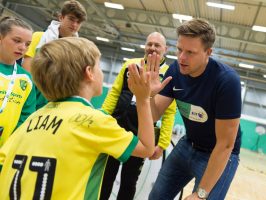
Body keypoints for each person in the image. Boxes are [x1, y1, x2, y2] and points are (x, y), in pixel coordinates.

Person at [0, 37, 156, 199]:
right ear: (89, 73)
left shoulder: (31, 120)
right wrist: (143, 99)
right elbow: (146, 147)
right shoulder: (94, 121)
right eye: (99, 66)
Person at [130, 18, 242, 200]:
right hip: (187, 145)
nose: (181, 57)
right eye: (180, 49)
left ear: (208, 52)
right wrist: (147, 95)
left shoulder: (227, 81)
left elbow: (226, 144)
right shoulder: (175, 71)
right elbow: (154, 114)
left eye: (190, 52)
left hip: (219, 153)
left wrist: (201, 193)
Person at [100, 32, 176, 200]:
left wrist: (162, 144)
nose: (152, 48)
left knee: (129, 181)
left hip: (141, 136)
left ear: (166, 49)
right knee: (106, 177)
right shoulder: (130, 65)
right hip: (116, 129)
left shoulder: (169, 75)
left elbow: (169, 112)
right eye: (149, 44)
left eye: (157, 45)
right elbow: (114, 93)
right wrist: (103, 116)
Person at [22, 0, 87, 109]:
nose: (74, 25)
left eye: (78, 22)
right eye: (71, 19)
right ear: (61, 17)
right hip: (32, 95)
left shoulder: (78, 49)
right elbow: (26, 70)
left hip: (59, 100)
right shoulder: (39, 37)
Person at [0, 16, 36, 147]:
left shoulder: (26, 79)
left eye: (27, 44)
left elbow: (26, 117)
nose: (22, 48)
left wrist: (12, 144)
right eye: (17, 41)